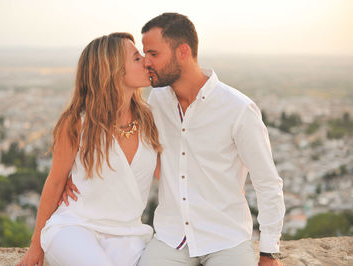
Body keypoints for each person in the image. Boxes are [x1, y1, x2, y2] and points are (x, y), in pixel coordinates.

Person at [63, 13, 285, 266]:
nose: (146, 62)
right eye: (143, 54)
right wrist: (73, 172)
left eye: (153, 54)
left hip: (227, 238)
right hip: (171, 239)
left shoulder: (238, 109)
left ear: (182, 51)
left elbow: (268, 183)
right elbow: (120, 143)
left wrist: (269, 252)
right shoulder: (156, 103)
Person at [17, 32, 161, 266]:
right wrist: (35, 248)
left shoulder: (151, 119)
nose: (146, 60)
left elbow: (170, 176)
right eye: (136, 58)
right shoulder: (77, 123)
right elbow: (55, 183)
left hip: (128, 235)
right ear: (112, 70)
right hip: (74, 228)